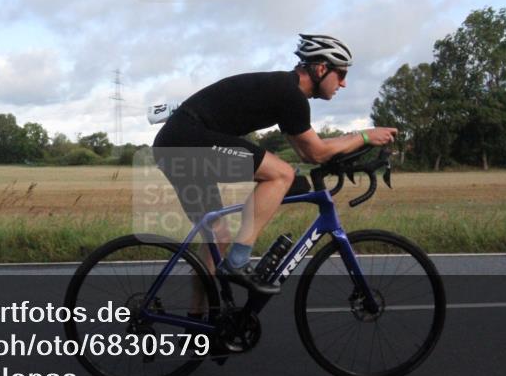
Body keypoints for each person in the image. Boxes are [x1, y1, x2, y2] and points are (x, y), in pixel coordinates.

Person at [152, 34, 397, 294]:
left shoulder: (284, 90)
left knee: (218, 238)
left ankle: (198, 322)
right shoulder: (290, 94)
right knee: (280, 174)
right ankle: (238, 261)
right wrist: (365, 136)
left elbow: (309, 149)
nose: (344, 83)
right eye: (341, 74)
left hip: (174, 142)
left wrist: (355, 139)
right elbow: (316, 153)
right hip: (186, 140)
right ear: (322, 68)